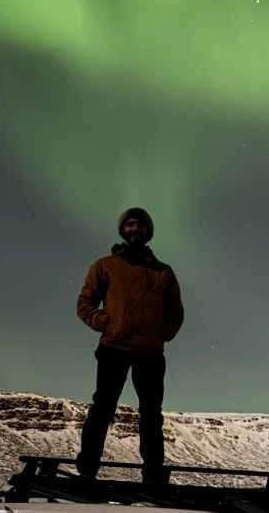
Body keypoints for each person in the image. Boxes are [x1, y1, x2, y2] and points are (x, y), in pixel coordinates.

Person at [74, 207, 185, 485]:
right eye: (130, 224)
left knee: (151, 413)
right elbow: (85, 303)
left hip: (150, 353)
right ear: (124, 230)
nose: (135, 229)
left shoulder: (163, 272)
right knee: (103, 407)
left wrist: (162, 335)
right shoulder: (105, 266)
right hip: (114, 346)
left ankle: (153, 474)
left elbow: (175, 312)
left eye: (140, 225)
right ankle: (87, 469)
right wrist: (104, 322)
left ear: (148, 232)